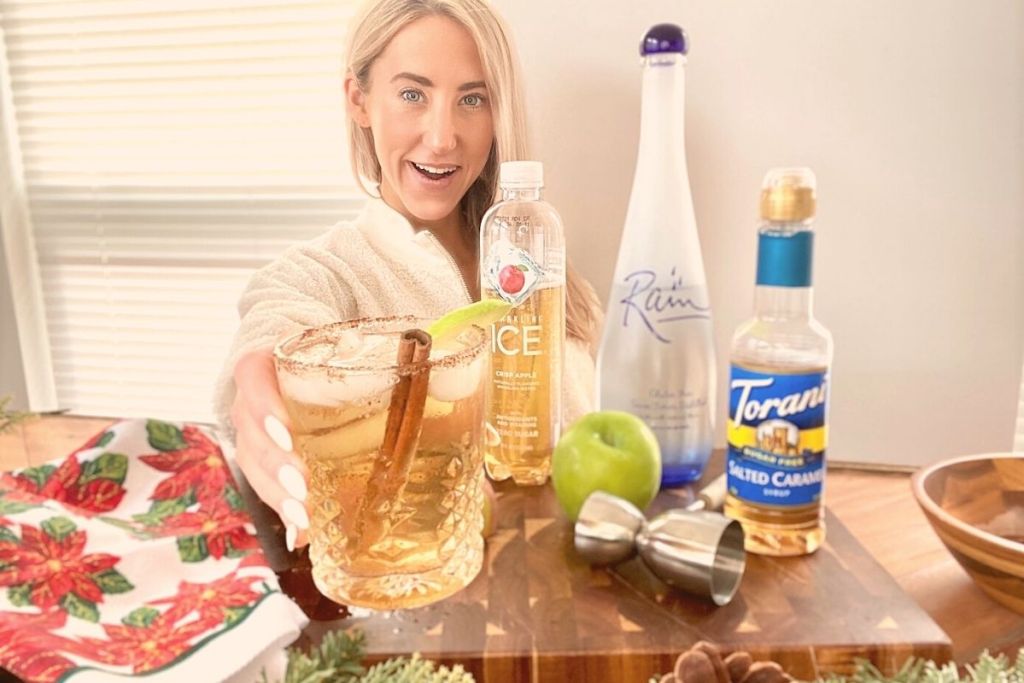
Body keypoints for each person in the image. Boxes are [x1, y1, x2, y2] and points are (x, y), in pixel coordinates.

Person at [214, 0, 602, 552]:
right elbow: (279, 318)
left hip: (563, 594)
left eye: (473, 99)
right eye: (413, 94)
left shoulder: (549, 281)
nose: (443, 137)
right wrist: (260, 379)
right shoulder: (331, 271)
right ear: (360, 99)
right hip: (421, 597)